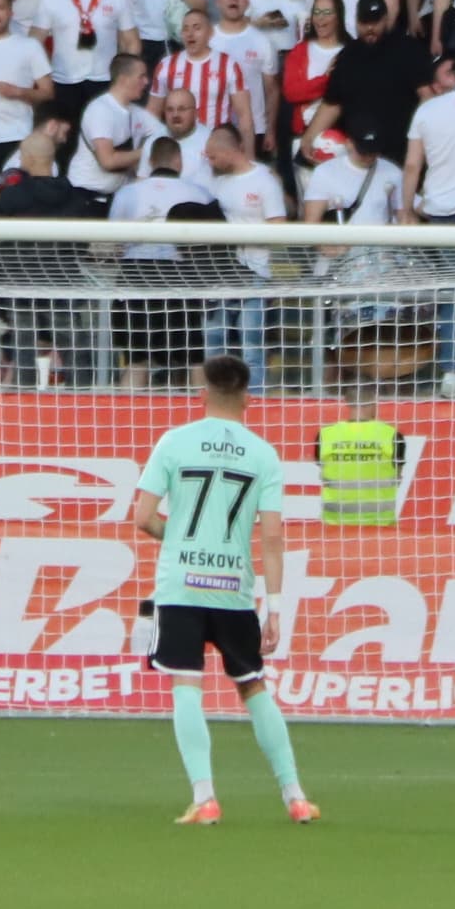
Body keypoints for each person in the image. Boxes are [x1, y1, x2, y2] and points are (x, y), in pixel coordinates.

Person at [129, 351, 316, 826]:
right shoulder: (263, 454)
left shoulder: (174, 441)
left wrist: (179, 540)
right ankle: (295, 796)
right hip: (233, 588)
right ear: (248, 398)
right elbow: (271, 537)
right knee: (253, 686)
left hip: (181, 587)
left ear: (202, 394)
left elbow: (143, 517)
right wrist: (275, 609)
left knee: (186, 685)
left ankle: (205, 798)